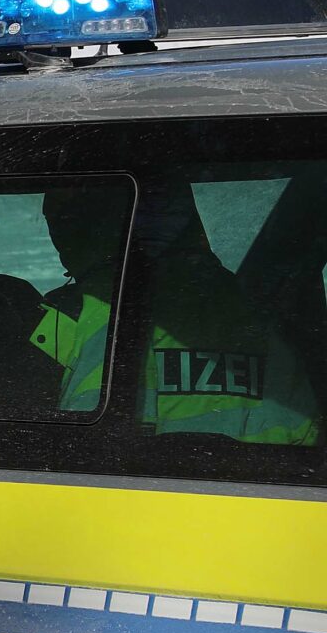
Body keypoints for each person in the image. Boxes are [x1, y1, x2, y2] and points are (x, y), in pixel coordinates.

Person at [31, 181, 318, 445]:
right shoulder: (256, 306)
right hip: (269, 494)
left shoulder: (79, 312)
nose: (58, 239)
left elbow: (72, 450)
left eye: (60, 220)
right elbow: (305, 433)